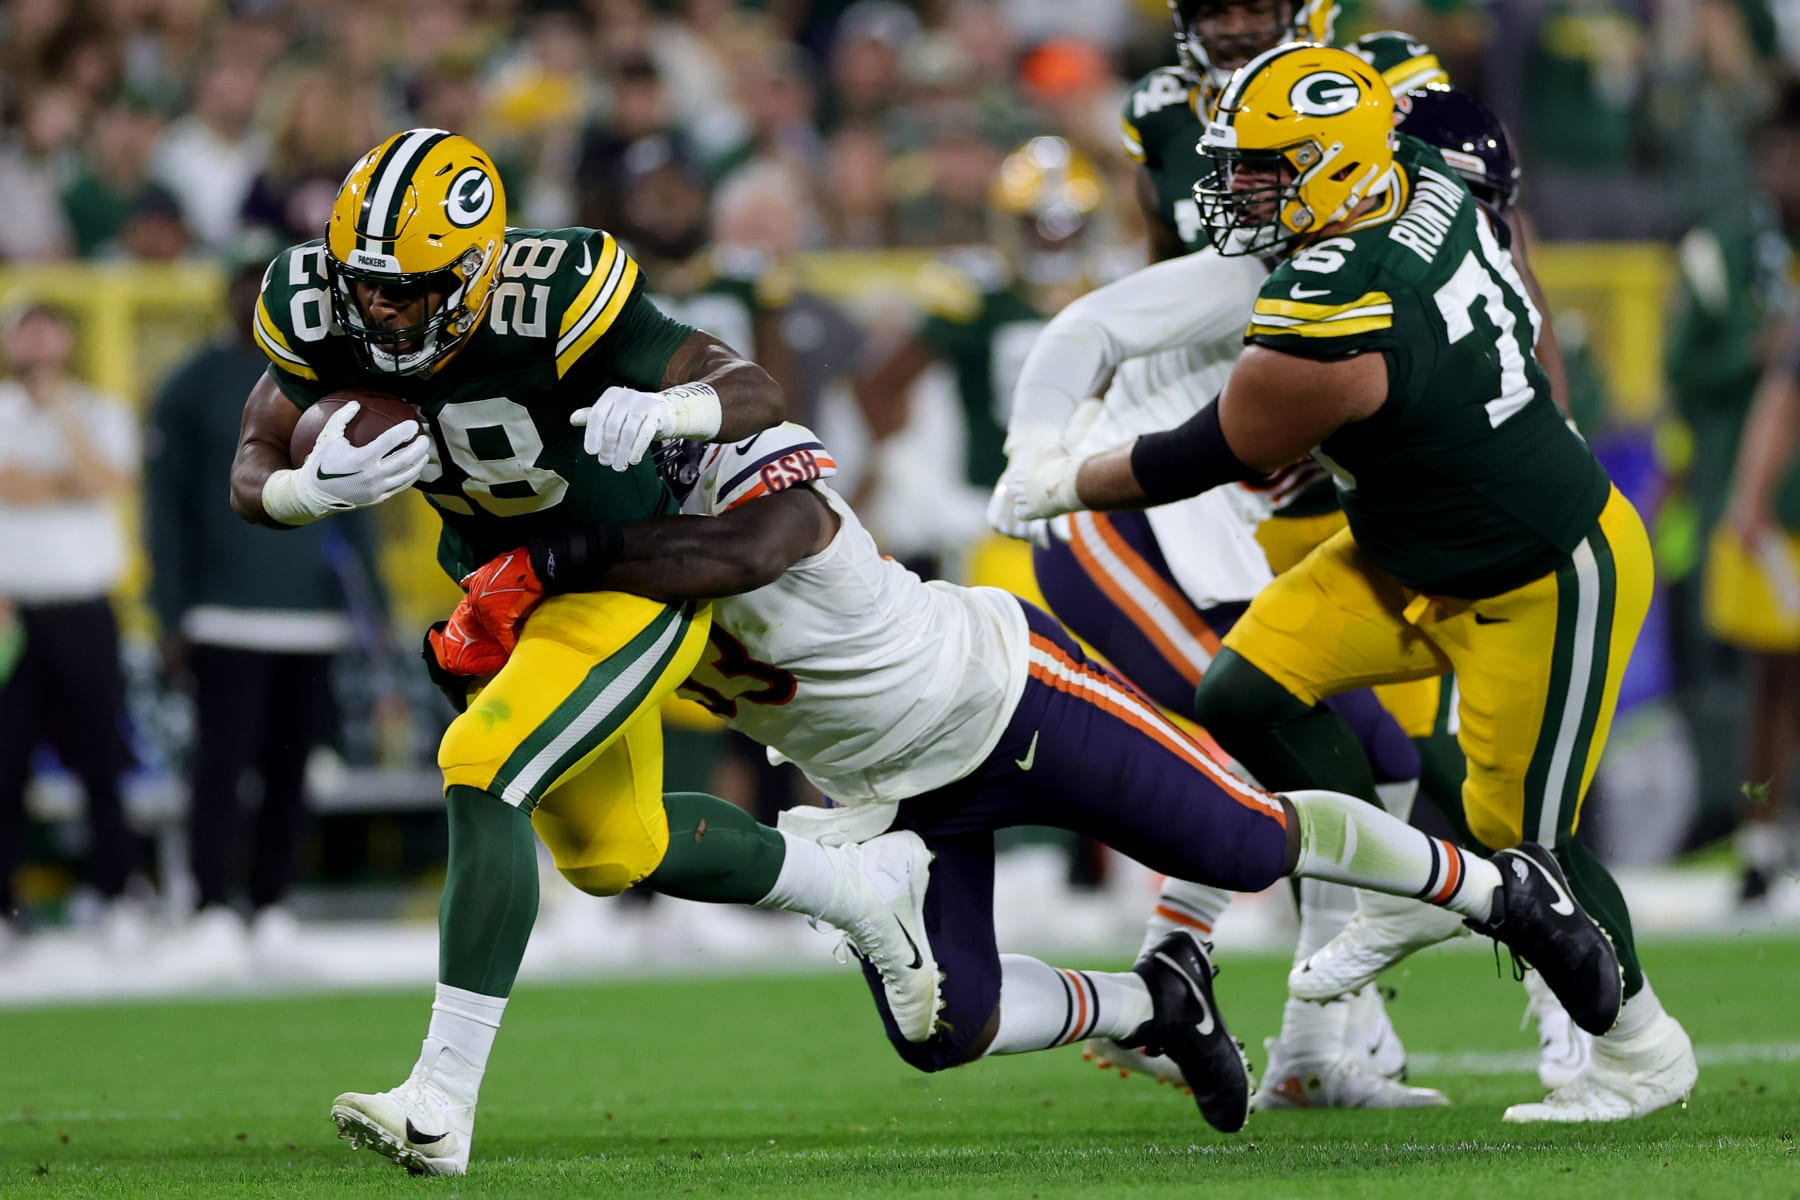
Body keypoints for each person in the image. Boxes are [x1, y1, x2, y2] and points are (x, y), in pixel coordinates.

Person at [449, 418, 1623, 1139]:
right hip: (891, 791)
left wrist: (574, 553)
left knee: (1248, 846)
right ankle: (1160, 1001)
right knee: (942, 1029)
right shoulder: (593, 594)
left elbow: (749, 547)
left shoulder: (732, 491)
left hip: (1008, 697)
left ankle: (1506, 894)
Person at [1009, 44, 1695, 1123]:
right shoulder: (1417, 178)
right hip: (1403, 552)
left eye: (1262, 170)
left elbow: (1211, 449)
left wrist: (1065, 481)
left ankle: (1641, 1050)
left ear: (1332, 167)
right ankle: (1408, 882)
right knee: (1242, 695)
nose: (1233, 192)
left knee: (1530, 846)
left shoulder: (1343, 293)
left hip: (1540, 572)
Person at [231, 128, 930, 1178]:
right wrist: (298, 491)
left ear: (475, 269)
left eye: (408, 288)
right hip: (503, 589)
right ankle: (865, 891)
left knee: (481, 768)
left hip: (622, 574)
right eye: (364, 284)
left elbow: (752, 389)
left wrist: (669, 406)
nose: (379, 309)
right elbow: (253, 455)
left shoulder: (558, 288)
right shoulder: (318, 304)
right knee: (619, 852)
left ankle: (440, 1100)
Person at [146, 231, 377, 970]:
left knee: (291, 765)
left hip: (308, 609)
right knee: (222, 763)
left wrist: (363, 604)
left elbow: (365, 493)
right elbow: (167, 508)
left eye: (269, 279)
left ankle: (273, 901)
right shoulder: (193, 383)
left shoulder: (335, 373)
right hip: (224, 608)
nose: (258, 293)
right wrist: (171, 609)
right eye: (247, 280)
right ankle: (211, 901)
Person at [0, 302, 143, 946]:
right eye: (25, 326)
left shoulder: (99, 410)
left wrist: (57, 414)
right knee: (5, 763)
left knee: (99, 756)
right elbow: (12, 487)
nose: (37, 339)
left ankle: (114, 895)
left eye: (48, 325)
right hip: (11, 609)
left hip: (85, 606)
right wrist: (62, 482)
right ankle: (6, 907)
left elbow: (105, 481)